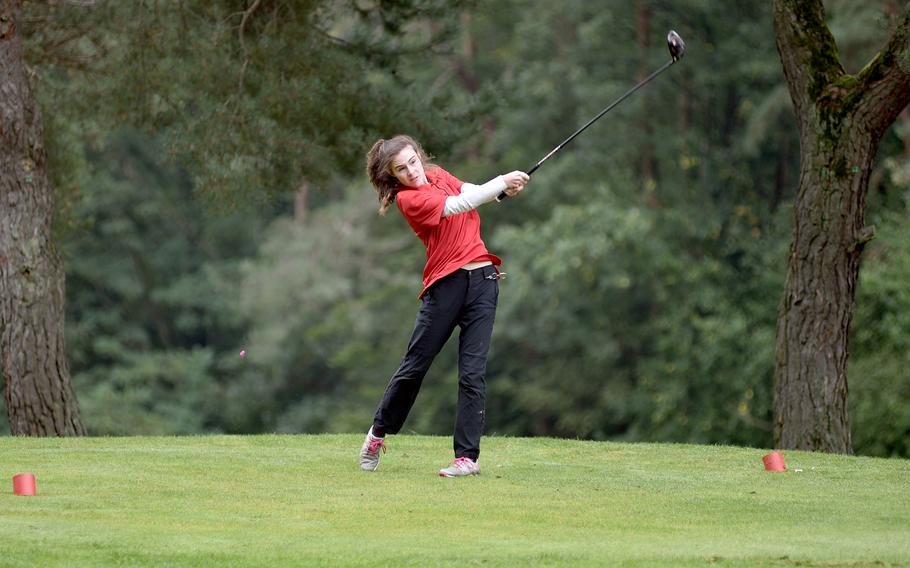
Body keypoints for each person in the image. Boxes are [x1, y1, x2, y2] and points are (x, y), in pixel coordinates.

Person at [359, 134, 529, 477]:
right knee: (415, 367)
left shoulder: (436, 174)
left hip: (483, 281)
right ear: (393, 177)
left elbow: (468, 191)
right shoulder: (409, 200)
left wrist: (500, 190)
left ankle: (467, 458)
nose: (412, 171)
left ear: (420, 158)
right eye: (401, 169)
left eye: (413, 162)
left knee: (472, 373)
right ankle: (378, 433)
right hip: (445, 288)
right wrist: (500, 181)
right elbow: (457, 206)